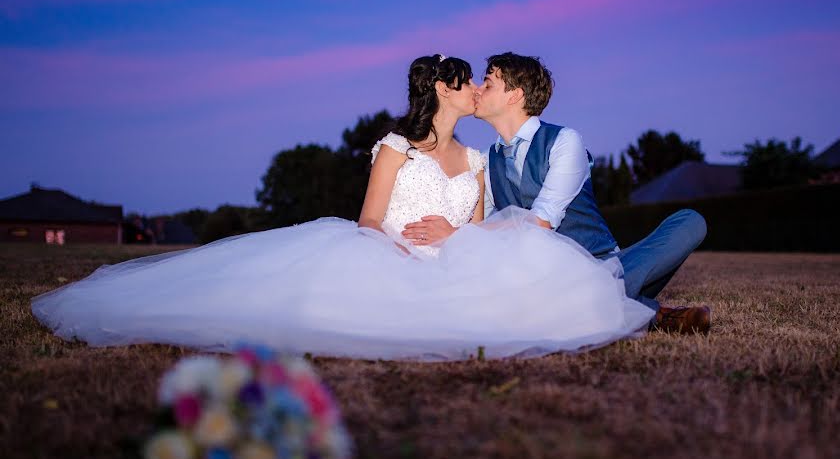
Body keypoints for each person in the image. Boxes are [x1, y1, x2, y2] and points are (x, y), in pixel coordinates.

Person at [31, 54, 654, 360]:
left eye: (482, 81)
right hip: (389, 255)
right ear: (443, 88)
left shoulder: (481, 160)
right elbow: (368, 220)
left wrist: (454, 233)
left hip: (457, 260)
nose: (475, 89)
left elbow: (480, 223)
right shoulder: (393, 147)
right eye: (468, 80)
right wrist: (407, 251)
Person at [470, 52, 711, 334]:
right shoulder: (487, 160)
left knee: (690, 221)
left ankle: (587, 300)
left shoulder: (564, 141)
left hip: (604, 266)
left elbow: (542, 223)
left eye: (488, 84)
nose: (477, 90)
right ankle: (656, 316)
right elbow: (486, 227)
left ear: (515, 95)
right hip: (540, 280)